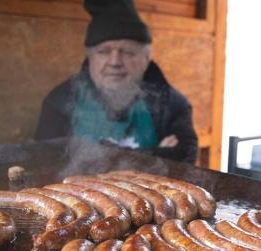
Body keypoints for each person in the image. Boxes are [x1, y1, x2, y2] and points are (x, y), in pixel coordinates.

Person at [35, 0, 198, 163]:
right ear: (90, 58)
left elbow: (185, 159)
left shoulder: (172, 103)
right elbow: (45, 161)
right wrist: (155, 155)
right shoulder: (60, 101)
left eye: (127, 52)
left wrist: (96, 157)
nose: (114, 62)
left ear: (146, 58)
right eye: (104, 52)